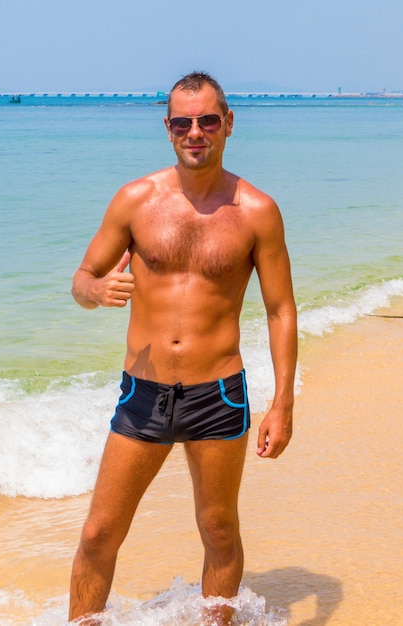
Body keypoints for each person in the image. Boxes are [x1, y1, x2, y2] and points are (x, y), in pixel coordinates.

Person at [68, 71, 297, 625]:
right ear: (168, 128)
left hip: (218, 392)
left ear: (228, 125)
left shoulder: (256, 210)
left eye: (208, 121)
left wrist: (283, 403)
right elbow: (81, 278)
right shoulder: (136, 199)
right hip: (144, 392)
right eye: (182, 122)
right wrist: (98, 291)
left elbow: (280, 309)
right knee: (100, 532)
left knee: (219, 529)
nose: (195, 132)